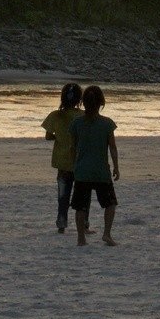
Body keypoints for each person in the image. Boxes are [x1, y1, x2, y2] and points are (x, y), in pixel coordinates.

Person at [68, 84, 119, 247]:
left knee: (80, 206)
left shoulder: (77, 123)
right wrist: (116, 166)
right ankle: (106, 234)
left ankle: (81, 238)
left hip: (82, 170)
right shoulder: (107, 124)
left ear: (83, 103)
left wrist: (72, 166)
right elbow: (112, 147)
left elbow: (73, 147)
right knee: (110, 203)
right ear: (101, 103)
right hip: (100, 171)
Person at [41, 82, 85, 232]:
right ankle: (84, 223)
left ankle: (61, 222)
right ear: (80, 99)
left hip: (62, 161)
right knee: (82, 194)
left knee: (63, 195)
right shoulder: (82, 115)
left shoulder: (55, 115)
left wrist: (59, 137)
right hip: (79, 161)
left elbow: (48, 136)